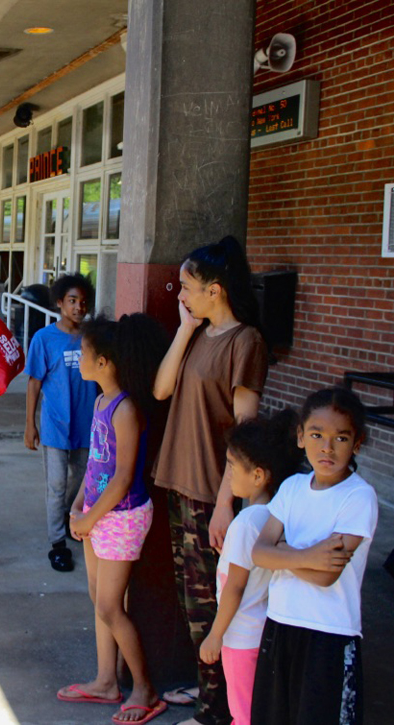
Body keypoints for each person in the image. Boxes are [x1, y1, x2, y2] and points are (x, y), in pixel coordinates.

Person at [152, 236, 269, 725]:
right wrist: (184, 329)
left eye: (188, 287)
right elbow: (161, 390)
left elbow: (245, 434)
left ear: (215, 290)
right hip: (179, 484)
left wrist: (226, 504)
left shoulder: (246, 342)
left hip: (210, 494)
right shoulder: (199, 334)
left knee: (211, 607)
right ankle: (208, 694)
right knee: (191, 601)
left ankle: (215, 712)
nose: (181, 294)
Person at [56, 313, 168, 724]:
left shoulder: (125, 408)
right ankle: (106, 681)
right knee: (99, 602)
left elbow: (122, 479)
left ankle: (145, 689)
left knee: (109, 606)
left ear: (104, 362)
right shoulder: (101, 400)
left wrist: (90, 517)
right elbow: (97, 465)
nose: (78, 356)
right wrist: (79, 505)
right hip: (97, 514)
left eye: (83, 352)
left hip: (121, 517)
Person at [251, 388, 378, 725]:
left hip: (329, 634)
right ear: (300, 436)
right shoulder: (292, 487)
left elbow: (327, 574)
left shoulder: (359, 497)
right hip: (280, 623)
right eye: (317, 434)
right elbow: (259, 552)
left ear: (357, 443)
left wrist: (283, 552)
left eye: (341, 438)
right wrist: (307, 554)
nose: (327, 447)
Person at [197, 411, 303, 725]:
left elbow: (236, 586)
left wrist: (215, 635)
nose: (228, 475)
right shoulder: (273, 516)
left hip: (240, 637)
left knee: (243, 714)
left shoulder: (245, 523)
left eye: (232, 466)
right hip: (264, 632)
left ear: (258, 476)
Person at [24, 273, 97, 572]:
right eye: (72, 301)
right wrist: (30, 423)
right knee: (56, 485)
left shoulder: (93, 337)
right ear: (59, 303)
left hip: (87, 425)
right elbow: (34, 383)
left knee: (79, 482)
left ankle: (68, 519)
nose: (79, 307)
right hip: (55, 425)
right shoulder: (44, 339)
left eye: (83, 302)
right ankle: (57, 544)